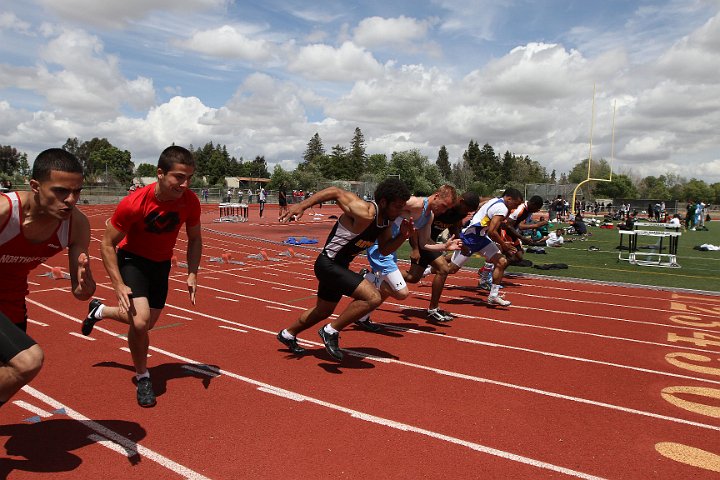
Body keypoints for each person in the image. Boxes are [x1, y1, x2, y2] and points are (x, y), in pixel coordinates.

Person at [80, 146, 202, 407]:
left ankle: (99, 311)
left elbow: (195, 239)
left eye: (189, 177)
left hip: (161, 265)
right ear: (160, 174)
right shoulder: (134, 203)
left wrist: (192, 272)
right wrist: (118, 284)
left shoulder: (190, 201)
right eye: (179, 177)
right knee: (139, 322)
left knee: (145, 323)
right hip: (133, 260)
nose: (185, 184)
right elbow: (106, 244)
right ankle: (143, 376)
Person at [0, 148, 96, 408]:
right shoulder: (5, 212)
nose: (71, 200)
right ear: (35, 186)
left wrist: (86, 287)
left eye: (77, 192)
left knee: (9, 377)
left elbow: (79, 291)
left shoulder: (76, 225)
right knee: (28, 361)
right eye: (61, 191)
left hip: (12, 303)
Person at [276, 179, 412, 361]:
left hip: (338, 267)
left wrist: (402, 236)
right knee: (373, 297)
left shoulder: (385, 222)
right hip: (328, 264)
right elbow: (335, 191)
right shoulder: (364, 212)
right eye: (397, 207)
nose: (399, 212)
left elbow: (384, 250)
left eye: (402, 207)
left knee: (323, 311)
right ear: (383, 202)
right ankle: (330, 331)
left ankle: (288, 334)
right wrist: (302, 205)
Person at [356, 185, 462, 327]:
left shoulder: (429, 216)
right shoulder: (415, 203)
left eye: (446, 209)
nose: (443, 211)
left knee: (386, 288)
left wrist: (444, 246)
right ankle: (366, 276)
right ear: (436, 196)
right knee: (401, 292)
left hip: (391, 248)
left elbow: (424, 243)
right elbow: (384, 205)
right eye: (443, 206)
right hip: (380, 246)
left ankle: (362, 318)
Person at [447, 188, 524, 306]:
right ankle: (428, 269)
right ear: (509, 199)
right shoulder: (502, 208)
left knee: (501, 262)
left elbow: (483, 206)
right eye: (516, 204)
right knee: (451, 269)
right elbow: (492, 232)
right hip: (470, 238)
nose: (516, 207)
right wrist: (504, 245)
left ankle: (493, 295)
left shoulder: (495, 200)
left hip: (481, 237)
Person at [479, 195, 545, 289]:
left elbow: (518, 225)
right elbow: (508, 225)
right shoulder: (520, 209)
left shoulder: (527, 211)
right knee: (508, 255)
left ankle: (489, 272)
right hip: (505, 232)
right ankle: (489, 276)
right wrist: (523, 236)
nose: (537, 211)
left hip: (512, 233)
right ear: (533, 204)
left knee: (518, 256)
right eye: (537, 208)